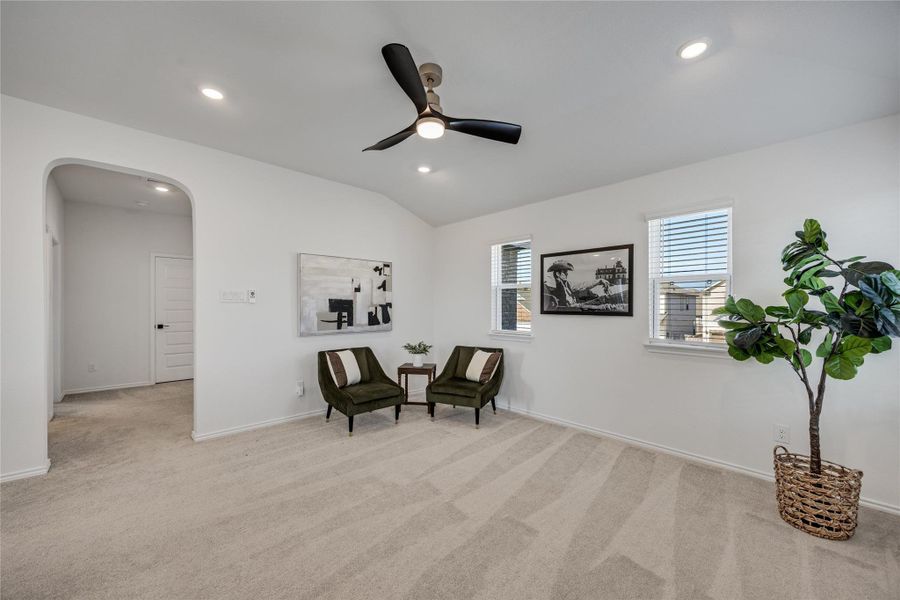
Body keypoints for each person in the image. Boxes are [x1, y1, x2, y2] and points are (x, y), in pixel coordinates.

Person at [546, 259, 610, 308]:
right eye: (565, 272)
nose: (567, 273)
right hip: (570, 309)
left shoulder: (567, 284)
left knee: (602, 300)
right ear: (557, 274)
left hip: (576, 306)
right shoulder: (553, 285)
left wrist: (599, 281)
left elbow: (582, 285)